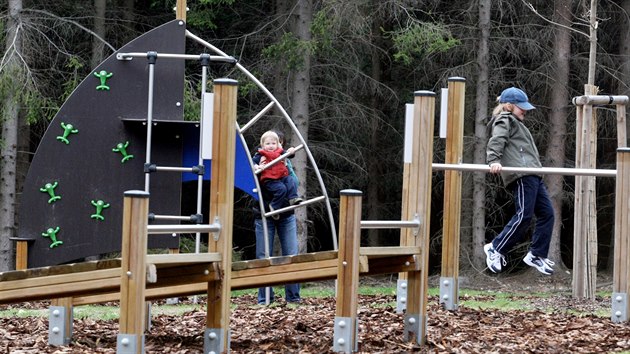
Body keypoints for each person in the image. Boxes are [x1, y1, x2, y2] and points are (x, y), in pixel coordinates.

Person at [484, 87, 555, 275]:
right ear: (508, 106)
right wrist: (494, 160)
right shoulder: (504, 119)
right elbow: (497, 139)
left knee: (547, 214)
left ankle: (536, 254)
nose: (525, 110)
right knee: (524, 215)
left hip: (533, 174)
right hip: (522, 174)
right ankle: (496, 248)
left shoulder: (517, 122)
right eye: (521, 107)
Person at [253, 204, 301, 304]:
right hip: (263, 213)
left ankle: (293, 298)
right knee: (263, 258)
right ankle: (265, 299)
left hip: (286, 211)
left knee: (292, 256)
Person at [252, 131, 302, 220]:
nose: (271, 146)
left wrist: (292, 151)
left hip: (282, 177)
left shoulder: (280, 152)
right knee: (281, 189)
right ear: (262, 145)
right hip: (270, 179)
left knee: (290, 180)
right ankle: (274, 207)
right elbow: (252, 162)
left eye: (273, 143)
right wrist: (257, 166)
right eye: (268, 144)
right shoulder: (261, 154)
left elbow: (289, 154)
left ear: (278, 144)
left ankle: (293, 198)